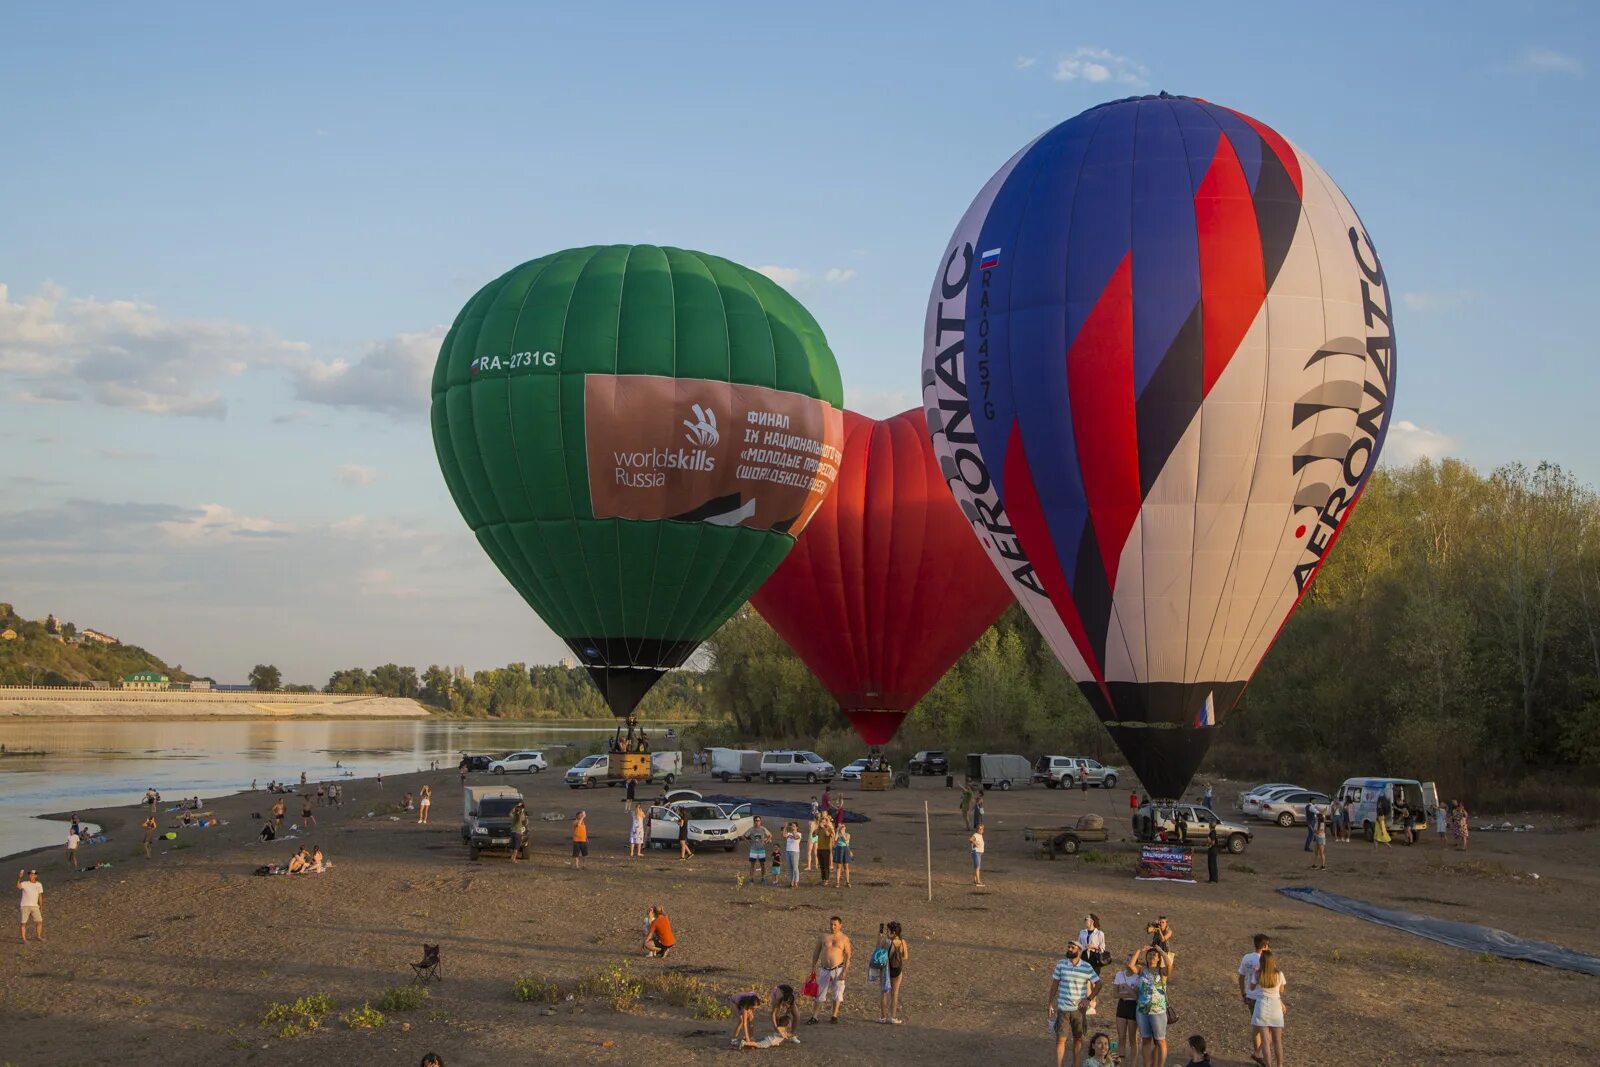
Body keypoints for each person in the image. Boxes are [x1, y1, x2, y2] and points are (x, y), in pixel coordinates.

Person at [1048, 940, 1100, 1067]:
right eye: (1069, 947)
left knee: (1078, 1038)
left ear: (1079, 950)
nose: (1070, 949)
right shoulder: (1061, 964)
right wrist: (1050, 1003)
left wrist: (1089, 999)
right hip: (1063, 1008)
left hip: (1079, 1009)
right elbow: (1054, 984)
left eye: (1072, 947)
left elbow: (1099, 984)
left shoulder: (1086, 967)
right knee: (1060, 1039)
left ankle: (1075, 1065)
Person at [1128, 945, 1172, 1067]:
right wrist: (1139, 950)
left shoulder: (1161, 971)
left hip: (1158, 1011)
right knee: (1146, 1040)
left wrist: (1161, 951)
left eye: (1154, 955)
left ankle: (1160, 1065)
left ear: (1158, 958)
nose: (1152, 957)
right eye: (1150, 955)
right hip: (1142, 1011)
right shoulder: (1142, 970)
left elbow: (1169, 966)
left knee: (1160, 1040)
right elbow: (1131, 966)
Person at [808, 915, 852, 1024]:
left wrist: (845, 971)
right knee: (820, 993)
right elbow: (816, 952)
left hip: (838, 969)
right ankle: (815, 1016)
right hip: (824, 969)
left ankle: (834, 1015)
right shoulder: (824, 937)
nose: (832, 927)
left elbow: (848, 956)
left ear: (840, 925)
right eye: (831, 924)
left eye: (835, 925)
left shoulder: (844, 939)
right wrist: (813, 967)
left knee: (837, 993)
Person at [1249, 949, 1286, 1067]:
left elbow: (1251, 988)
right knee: (1277, 1041)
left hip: (1262, 1006)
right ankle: (1279, 1065)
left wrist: (1255, 974)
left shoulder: (1258, 973)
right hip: (1275, 1007)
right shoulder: (1279, 974)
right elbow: (1281, 990)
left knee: (1265, 1042)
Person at [1239, 933, 1269, 1065]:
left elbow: (1241, 976)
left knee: (1256, 1027)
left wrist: (1243, 994)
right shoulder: (1265, 959)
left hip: (1250, 996)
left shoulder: (1247, 957)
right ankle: (1259, 1054)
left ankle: (1258, 1054)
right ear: (1265, 946)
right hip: (1262, 997)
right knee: (1265, 1029)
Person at [1111, 957, 1140, 1062]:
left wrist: (1125, 988)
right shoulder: (1119, 975)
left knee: (1133, 1039)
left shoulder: (1137, 976)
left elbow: (1136, 996)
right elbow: (1114, 994)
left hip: (1133, 1006)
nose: (1128, 962)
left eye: (1130, 960)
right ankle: (1121, 1062)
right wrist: (1129, 992)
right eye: (1126, 960)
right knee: (1121, 1037)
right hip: (1122, 1006)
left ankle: (1133, 1064)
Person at [1078, 913, 1108, 1014]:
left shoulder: (1100, 933)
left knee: (1094, 982)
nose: (1085, 921)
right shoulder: (1082, 932)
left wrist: (1093, 947)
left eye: (1087, 920)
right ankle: (1089, 1004)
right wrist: (1083, 948)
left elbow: (1102, 948)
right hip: (1084, 957)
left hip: (1094, 959)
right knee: (1086, 982)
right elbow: (1079, 945)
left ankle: (1092, 1003)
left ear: (1092, 921)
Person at [885, 920, 908, 1024]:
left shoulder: (888, 942)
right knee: (895, 994)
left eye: (888, 930)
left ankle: (884, 1015)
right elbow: (905, 957)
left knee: (885, 993)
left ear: (893, 932)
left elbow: (884, 956)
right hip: (898, 970)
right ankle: (893, 1016)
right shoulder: (903, 942)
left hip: (888, 969)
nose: (887, 932)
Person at [17, 869, 43, 943]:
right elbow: (18, 886)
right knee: (23, 923)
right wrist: (19, 878)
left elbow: (40, 896)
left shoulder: (39, 884)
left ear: (36, 876)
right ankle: (24, 939)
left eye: (32, 874)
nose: (31, 876)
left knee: (39, 921)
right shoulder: (25, 883)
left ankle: (38, 936)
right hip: (25, 906)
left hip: (35, 906)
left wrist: (41, 906)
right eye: (30, 874)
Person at [747, 816, 771, 886]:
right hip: (753, 850)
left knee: (762, 865)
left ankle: (763, 878)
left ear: (760, 821)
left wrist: (766, 841)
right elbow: (743, 836)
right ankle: (751, 879)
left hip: (761, 849)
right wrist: (748, 843)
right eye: (756, 821)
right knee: (752, 865)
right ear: (754, 822)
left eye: (758, 820)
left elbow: (770, 835)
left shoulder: (763, 829)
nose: (757, 822)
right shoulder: (751, 829)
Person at [815, 811, 836, 885]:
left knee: (826, 865)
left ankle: (826, 880)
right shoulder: (819, 829)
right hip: (819, 849)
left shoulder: (828, 828)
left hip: (826, 849)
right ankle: (823, 879)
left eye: (824, 822)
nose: (823, 823)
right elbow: (814, 835)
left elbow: (827, 834)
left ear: (826, 822)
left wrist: (824, 827)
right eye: (822, 822)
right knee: (821, 866)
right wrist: (818, 827)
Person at [833, 823, 853, 888]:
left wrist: (842, 833)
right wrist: (837, 830)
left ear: (845, 828)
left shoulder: (848, 834)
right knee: (838, 866)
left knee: (846, 866)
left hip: (845, 849)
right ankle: (837, 882)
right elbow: (835, 839)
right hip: (839, 849)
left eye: (843, 826)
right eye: (842, 826)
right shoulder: (838, 834)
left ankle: (847, 881)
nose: (842, 827)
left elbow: (846, 840)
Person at [784, 821, 803, 888]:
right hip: (788, 851)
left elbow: (795, 837)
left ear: (797, 827)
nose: (792, 827)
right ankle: (791, 881)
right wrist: (785, 827)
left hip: (795, 852)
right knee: (789, 868)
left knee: (795, 867)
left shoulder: (799, 834)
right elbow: (784, 835)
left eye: (794, 826)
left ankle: (796, 881)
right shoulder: (789, 833)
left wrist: (794, 831)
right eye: (792, 826)